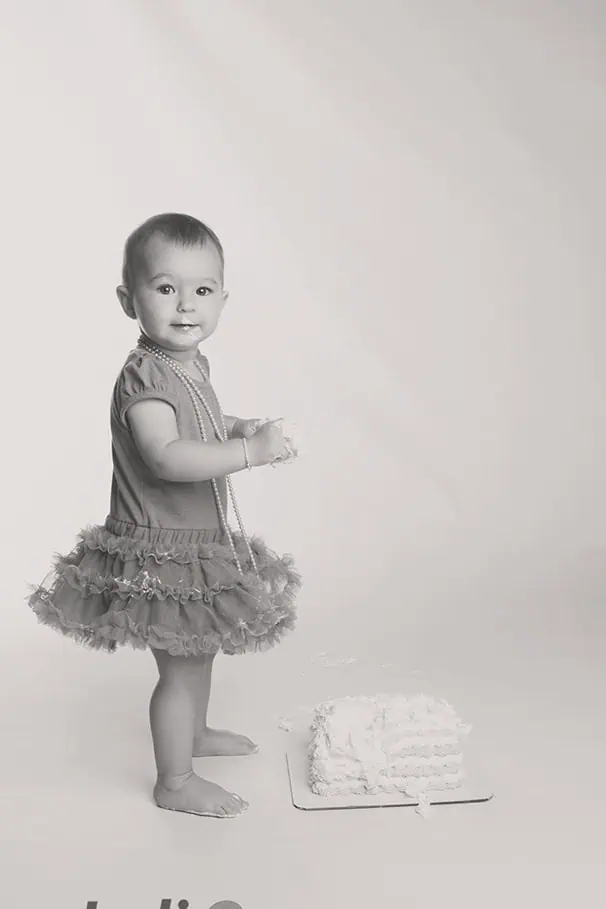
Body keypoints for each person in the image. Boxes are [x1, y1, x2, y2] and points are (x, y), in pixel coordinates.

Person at [28, 212, 300, 818]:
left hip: (196, 542)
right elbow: (168, 455)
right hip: (161, 550)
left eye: (202, 291)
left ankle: (195, 735)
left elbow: (197, 426)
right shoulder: (145, 374)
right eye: (165, 287)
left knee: (198, 650)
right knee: (179, 667)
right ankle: (174, 780)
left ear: (223, 300)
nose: (185, 306)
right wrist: (249, 454)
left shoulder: (189, 364)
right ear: (129, 300)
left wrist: (239, 426)